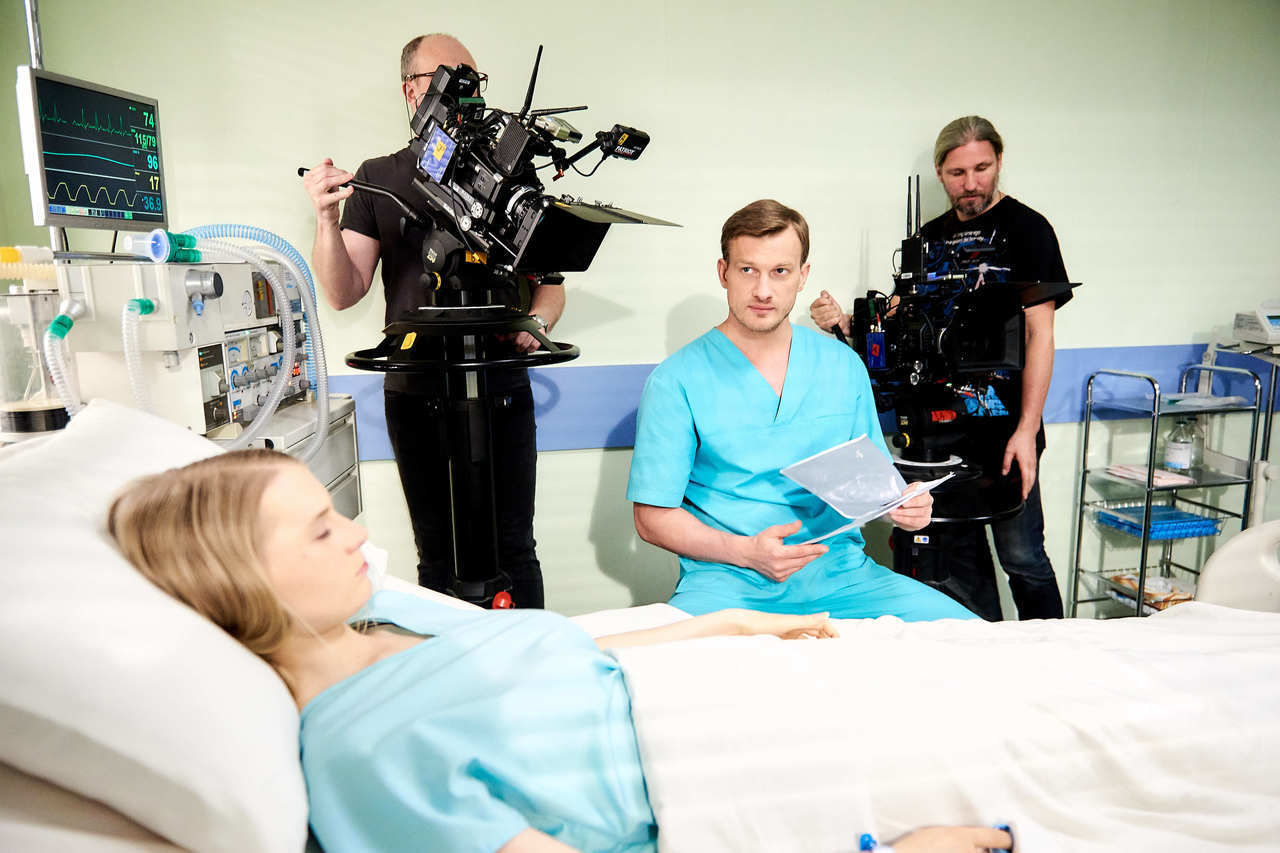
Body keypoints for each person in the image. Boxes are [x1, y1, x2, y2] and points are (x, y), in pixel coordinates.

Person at [106, 448, 1012, 853]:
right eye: (319, 529)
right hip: (742, 773)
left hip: (754, 682)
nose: (357, 533)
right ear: (243, 582)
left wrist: (732, 625)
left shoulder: (388, 618)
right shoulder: (359, 755)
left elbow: (577, 654)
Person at [302, 33, 561, 607]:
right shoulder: (377, 178)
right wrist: (325, 219)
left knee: (515, 548)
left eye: (474, 81)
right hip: (417, 392)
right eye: (449, 79)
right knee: (438, 555)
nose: (465, 93)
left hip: (500, 384)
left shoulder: (510, 176)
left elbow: (550, 287)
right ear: (411, 91)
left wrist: (536, 325)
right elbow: (343, 292)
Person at [626, 199, 975, 621]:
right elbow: (652, 517)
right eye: (747, 269)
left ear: (802, 276)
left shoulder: (842, 366)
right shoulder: (676, 380)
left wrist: (905, 508)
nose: (763, 290)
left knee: (969, 639)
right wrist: (746, 552)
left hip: (845, 579)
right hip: (728, 583)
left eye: (780, 271)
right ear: (723, 272)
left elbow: (874, 487)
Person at [810, 117, 1071, 622]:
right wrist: (844, 322)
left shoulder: (1028, 230)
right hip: (939, 430)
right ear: (939, 173)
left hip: (1005, 428)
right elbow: (901, 321)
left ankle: (1054, 648)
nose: (970, 183)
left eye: (981, 168)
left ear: (999, 161)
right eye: (957, 173)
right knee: (957, 562)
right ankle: (984, 646)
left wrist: (1027, 430)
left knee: (1022, 556)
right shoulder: (927, 238)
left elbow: (1041, 335)